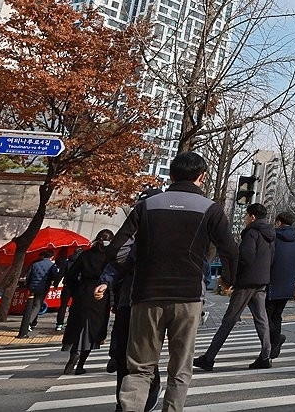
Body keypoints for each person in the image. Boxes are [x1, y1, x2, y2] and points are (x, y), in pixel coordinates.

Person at [102, 151, 239, 412]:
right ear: (202, 177)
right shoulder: (211, 209)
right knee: (180, 368)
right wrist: (228, 280)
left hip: (146, 295)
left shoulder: (146, 206)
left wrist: (137, 265)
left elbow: (115, 250)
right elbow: (230, 250)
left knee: (139, 368)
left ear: (171, 176)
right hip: (188, 297)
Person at [194, 202, 275, 371]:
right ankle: (266, 355)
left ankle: (209, 358)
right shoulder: (270, 235)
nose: (245, 219)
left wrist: (231, 277)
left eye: (246, 216)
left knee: (229, 320)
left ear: (252, 216)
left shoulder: (252, 233)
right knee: (261, 318)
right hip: (261, 281)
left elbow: (245, 257)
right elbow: (272, 258)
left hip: (246, 282)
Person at [102, 189, 163, 412]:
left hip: (152, 301)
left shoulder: (167, 233)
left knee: (143, 353)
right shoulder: (131, 233)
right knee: (122, 354)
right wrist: (105, 282)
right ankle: (123, 402)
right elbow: (116, 259)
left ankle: (150, 390)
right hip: (128, 301)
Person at [61, 229, 115, 375]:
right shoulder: (111, 257)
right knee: (92, 331)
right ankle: (80, 364)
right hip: (101, 295)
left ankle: (73, 355)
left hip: (83, 292)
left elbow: (71, 275)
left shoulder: (85, 254)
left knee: (77, 326)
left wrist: (76, 290)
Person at [267, 210, 295, 360]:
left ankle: (276, 340)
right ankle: (274, 346)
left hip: (271, 282)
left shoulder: (272, 238)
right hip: (288, 284)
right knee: (277, 315)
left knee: (265, 316)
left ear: (279, 222)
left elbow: (267, 260)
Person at [18, 248, 59, 337]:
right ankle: (28, 323)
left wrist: (28, 286)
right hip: (43, 287)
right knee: (37, 305)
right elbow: (55, 276)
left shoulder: (35, 264)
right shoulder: (52, 265)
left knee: (31, 305)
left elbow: (28, 276)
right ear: (52, 257)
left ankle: (33, 322)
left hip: (32, 287)